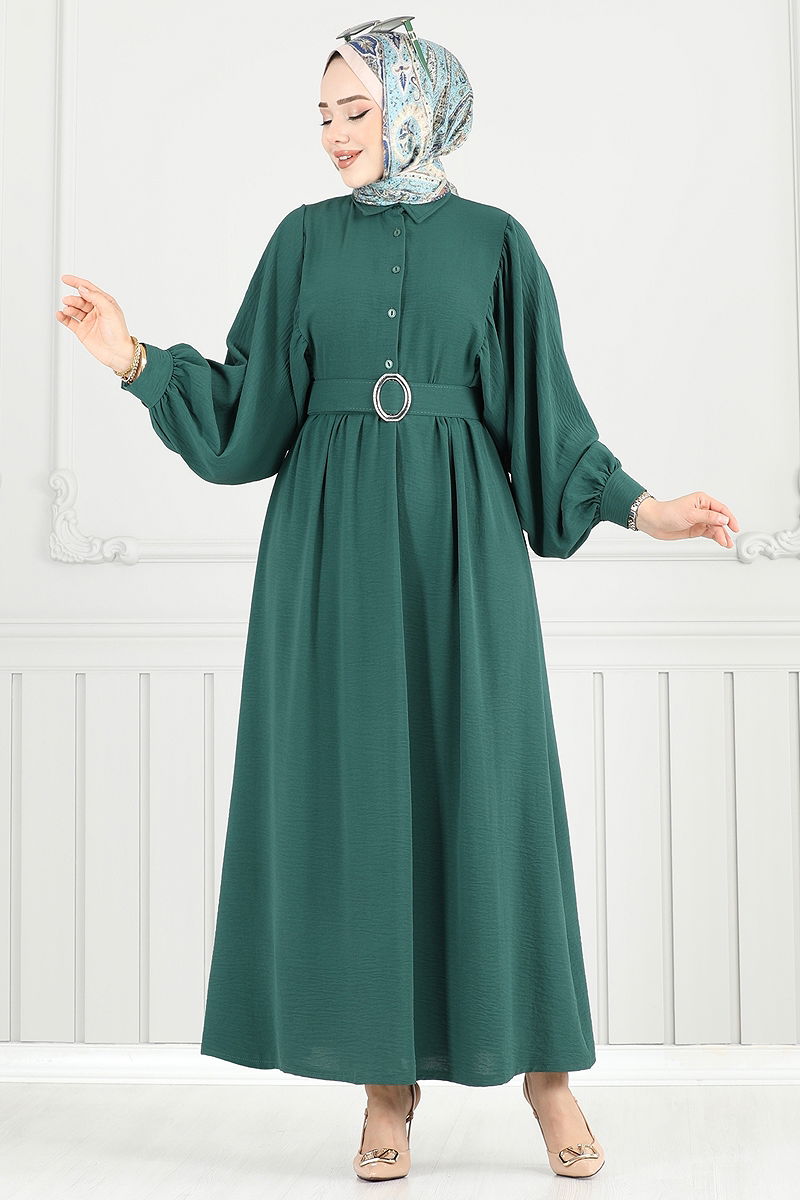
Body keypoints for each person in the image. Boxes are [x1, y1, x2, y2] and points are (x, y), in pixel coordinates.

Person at [55, 18, 739, 1183]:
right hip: (327, 557)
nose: (333, 135)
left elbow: (545, 416)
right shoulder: (300, 241)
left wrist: (643, 508)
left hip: (463, 549)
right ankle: (384, 1088)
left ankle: (546, 1076)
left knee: (494, 793)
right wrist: (132, 360)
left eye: (355, 111)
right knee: (361, 802)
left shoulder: (496, 243)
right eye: (322, 114)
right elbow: (245, 420)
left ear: (417, 110)